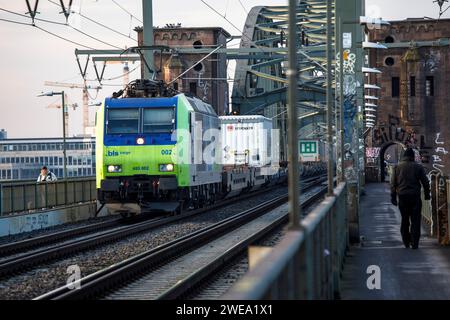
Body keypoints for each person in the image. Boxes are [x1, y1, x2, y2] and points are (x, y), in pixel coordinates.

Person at [391, 148, 430, 249]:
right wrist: (427, 194)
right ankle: (415, 242)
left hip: (403, 197)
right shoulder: (418, 167)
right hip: (415, 197)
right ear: (412, 156)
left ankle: (406, 241)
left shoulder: (397, 168)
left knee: (404, 220)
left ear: (403, 156)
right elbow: (425, 182)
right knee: (416, 220)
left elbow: (393, 184)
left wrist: (393, 197)